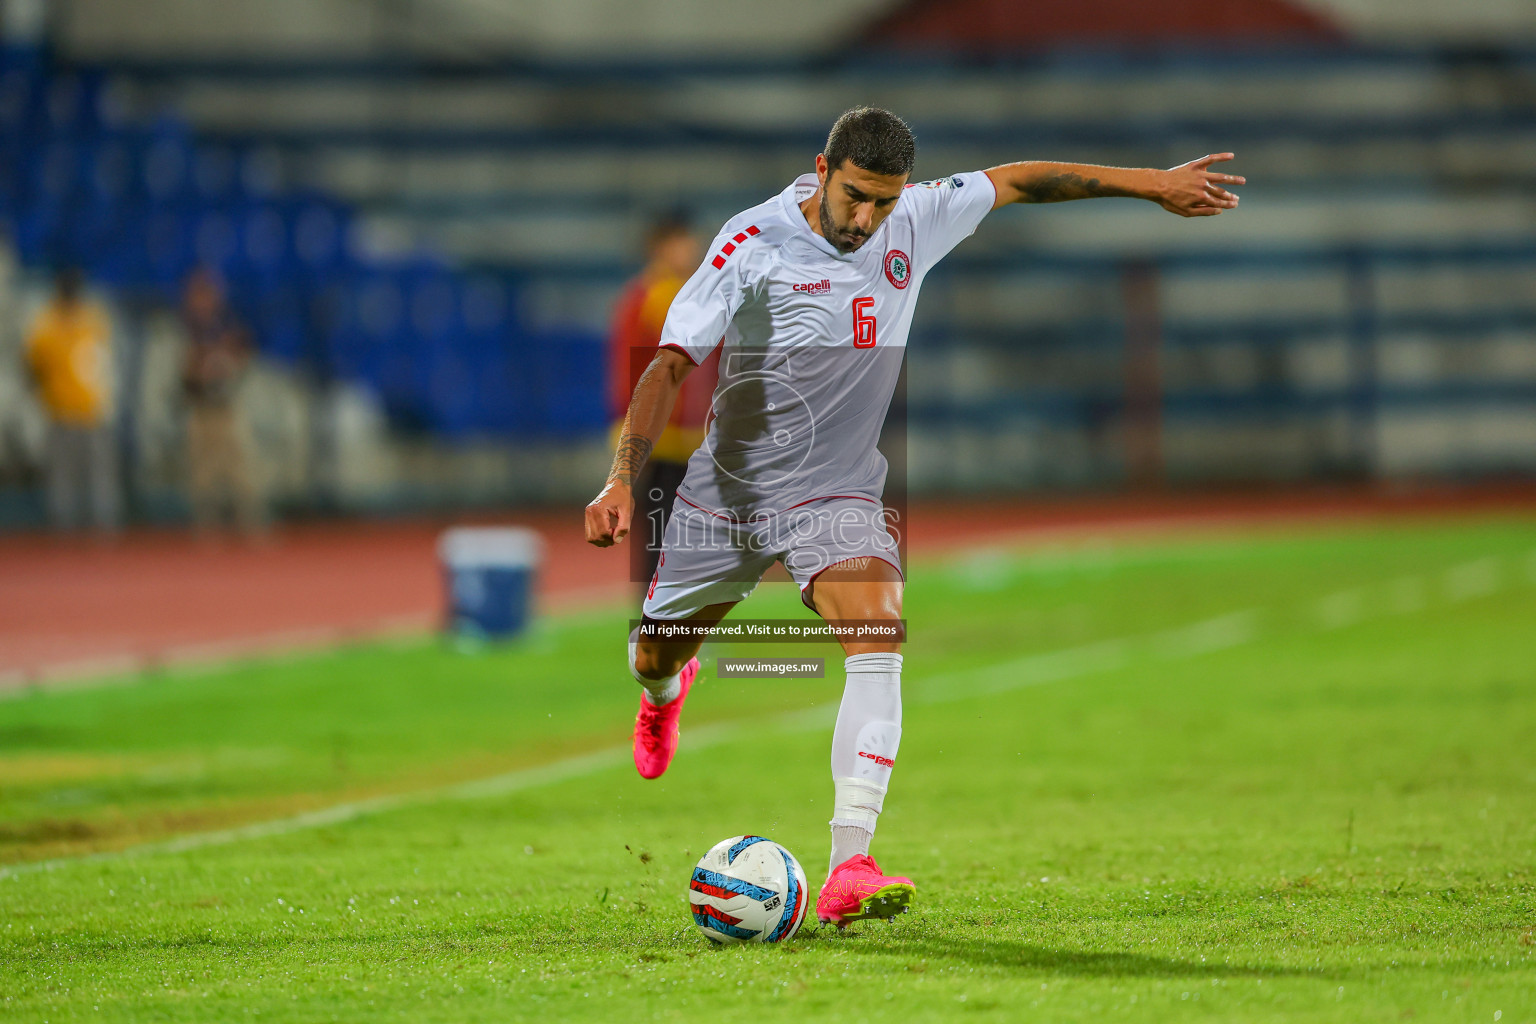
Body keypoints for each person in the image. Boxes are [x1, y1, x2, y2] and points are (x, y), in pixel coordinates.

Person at [584, 107, 1242, 929]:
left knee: (879, 636)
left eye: (883, 204)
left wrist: (1151, 186)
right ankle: (663, 690)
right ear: (820, 170)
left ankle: (849, 863)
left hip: (837, 494)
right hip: (731, 492)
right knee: (654, 649)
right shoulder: (751, 241)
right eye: (855, 197)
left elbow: (1020, 180)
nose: (867, 221)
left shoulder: (913, 218)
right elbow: (670, 363)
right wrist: (620, 479)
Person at [606, 213, 720, 594]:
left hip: (698, 439)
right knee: (660, 533)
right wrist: (626, 432)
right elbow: (629, 369)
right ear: (659, 247)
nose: (688, 250)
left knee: (698, 536)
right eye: (680, 242)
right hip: (661, 440)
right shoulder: (646, 298)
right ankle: (652, 618)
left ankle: (685, 616)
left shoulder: (700, 293)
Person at [25, 267, 119, 534]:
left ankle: (103, 525)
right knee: (62, 475)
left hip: (91, 408)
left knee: (98, 474)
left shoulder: (92, 320)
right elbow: (33, 366)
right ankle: (63, 527)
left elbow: (103, 364)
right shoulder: (46, 324)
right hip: (60, 409)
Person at [180, 268, 263, 536]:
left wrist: (226, 359)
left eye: (208, 293)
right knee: (203, 471)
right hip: (202, 406)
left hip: (227, 405)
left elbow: (244, 356)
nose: (203, 300)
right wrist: (199, 365)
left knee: (239, 467)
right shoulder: (187, 328)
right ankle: (208, 527)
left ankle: (250, 523)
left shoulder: (227, 323)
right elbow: (184, 374)